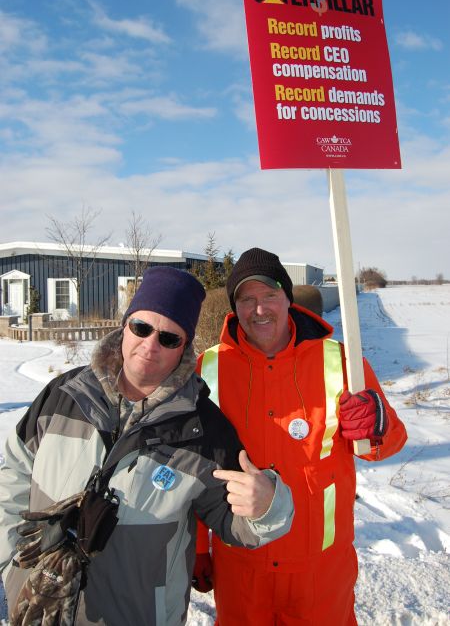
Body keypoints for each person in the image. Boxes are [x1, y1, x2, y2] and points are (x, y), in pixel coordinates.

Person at [0, 266, 294, 626]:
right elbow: (13, 471)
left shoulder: (203, 430)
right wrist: (12, 562)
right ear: (124, 325)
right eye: (141, 327)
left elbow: (237, 523)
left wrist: (268, 507)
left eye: (169, 338)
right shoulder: (64, 395)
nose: (150, 345)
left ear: (184, 348)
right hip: (35, 608)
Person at [194, 247, 407, 625]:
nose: (259, 309)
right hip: (242, 565)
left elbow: (386, 444)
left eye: (270, 296)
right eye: (247, 299)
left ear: (288, 299)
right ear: (234, 307)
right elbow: (192, 466)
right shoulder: (209, 367)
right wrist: (196, 548)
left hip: (320, 571)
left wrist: (378, 425)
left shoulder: (342, 362)